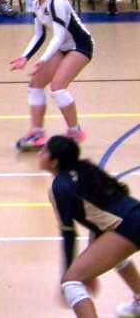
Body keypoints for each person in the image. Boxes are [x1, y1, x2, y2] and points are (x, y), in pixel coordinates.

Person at [38, 135, 140, 318]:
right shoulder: (85, 168)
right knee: (115, 257)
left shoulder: (60, 187)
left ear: (54, 162)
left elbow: (68, 234)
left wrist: (69, 272)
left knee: (71, 283)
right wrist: (90, 260)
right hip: (133, 216)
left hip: (129, 227)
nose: (40, 153)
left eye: (44, 151)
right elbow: (100, 220)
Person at [9, 0, 91, 151]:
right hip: (62, 47)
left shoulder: (57, 1)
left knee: (57, 88)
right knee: (35, 85)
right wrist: (25, 57)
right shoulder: (37, 3)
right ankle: (37, 133)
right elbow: (39, 35)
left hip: (80, 45)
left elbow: (59, 35)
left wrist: (44, 59)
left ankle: (75, 132)